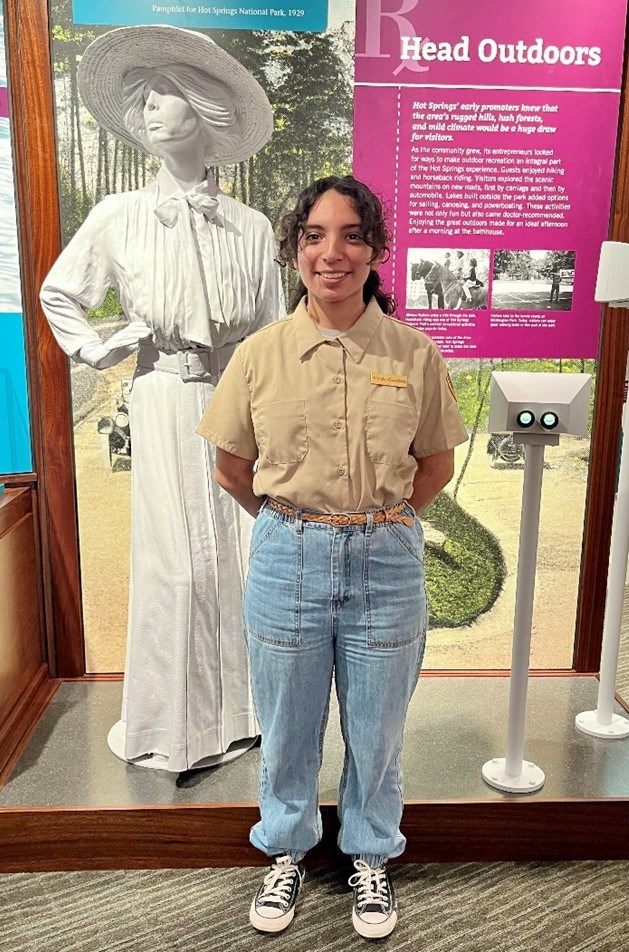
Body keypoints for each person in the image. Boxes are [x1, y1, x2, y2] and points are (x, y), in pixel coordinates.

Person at [197, 175, 468, 938]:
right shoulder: (259, 354)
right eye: (314, 235)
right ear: (295, 250)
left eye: (351, 235)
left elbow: (434, 464)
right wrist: (295, 527)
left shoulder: (414, 354)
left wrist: (380, 526)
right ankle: (283, 849)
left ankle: (370, 856)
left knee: (377, 728)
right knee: (285, 726)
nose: (332, 252)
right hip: (288, 557)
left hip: (385, 559)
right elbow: (230, 467)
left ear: (375, 250)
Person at [40, 25, 284, 772]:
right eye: (142, 99)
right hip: (162, 397)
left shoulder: (248, 227)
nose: (148, 109)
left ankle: (243, 716)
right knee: (174, 564)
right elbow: (60, 294)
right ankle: (169, 727)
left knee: (239, 559)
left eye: (164, 96)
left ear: (205, 110)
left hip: (237, 404)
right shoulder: (118, 215)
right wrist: (108, 346)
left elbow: (272, 331)